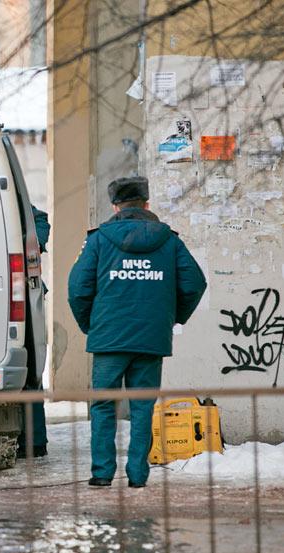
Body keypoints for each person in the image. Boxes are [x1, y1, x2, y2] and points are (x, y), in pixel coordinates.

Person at [68, 176, 206, 488]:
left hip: (109, 340)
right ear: (146, 204)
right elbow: (194, 284)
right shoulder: (169, 240)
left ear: (116, 206)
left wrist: (91, 325)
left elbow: (77, 289)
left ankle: (102, 474)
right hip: (151, 339)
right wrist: (170, 319)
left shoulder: (99, 239)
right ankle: (138, 476)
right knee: (143, 405)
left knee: (103, 404)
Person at [18, 205, 51, 459]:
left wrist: (32, 244)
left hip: (20, 292)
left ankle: (34, 441)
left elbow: (39, 219)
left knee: (29, 368)